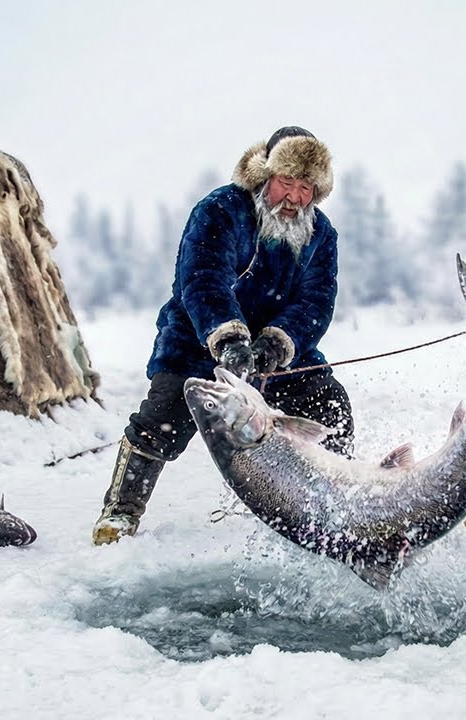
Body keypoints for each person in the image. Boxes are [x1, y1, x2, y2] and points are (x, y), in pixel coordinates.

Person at [92, 126, 355, 545]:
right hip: (199, 339)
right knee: (160, 420)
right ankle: (121, 511)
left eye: (306, 188)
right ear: (266, 175)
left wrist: (277, 343)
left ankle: (334, 507)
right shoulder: (220, 209)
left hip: (276, 352)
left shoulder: (321, 234)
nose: (293, 197)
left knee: (330, 407)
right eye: (287, 181)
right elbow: (202, 279)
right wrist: (229, 338)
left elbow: (316, 302)